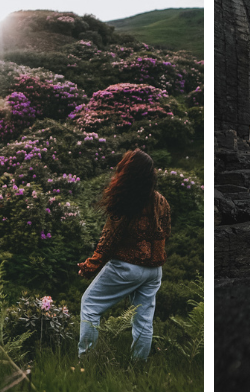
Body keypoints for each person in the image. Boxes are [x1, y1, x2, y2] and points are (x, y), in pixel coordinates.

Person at [77, 149, 171, 360]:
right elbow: (166, 233)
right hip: (154, 270)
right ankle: (139, 364)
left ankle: (86, 361)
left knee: (90, 304)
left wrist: (89, 266)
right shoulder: (162, 201)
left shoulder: (126, 199)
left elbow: (109, 240)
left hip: (127, 267)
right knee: (144, 320)